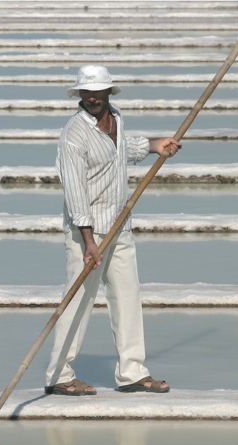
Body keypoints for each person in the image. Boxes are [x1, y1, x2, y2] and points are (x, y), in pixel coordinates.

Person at [45, 64, 181, 396]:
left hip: (120, 225)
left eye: (98, 92)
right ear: (79, 94)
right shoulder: (73, 136)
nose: (92, 97)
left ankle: (133, 373)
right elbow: (75, 193)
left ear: (108, 92)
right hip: (86, 233)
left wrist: (154, 145)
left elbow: (118, 154)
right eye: (86, 92)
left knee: (128, 297)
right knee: (78, 300)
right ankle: (59, 375)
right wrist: (89, 241)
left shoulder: (115, 118)